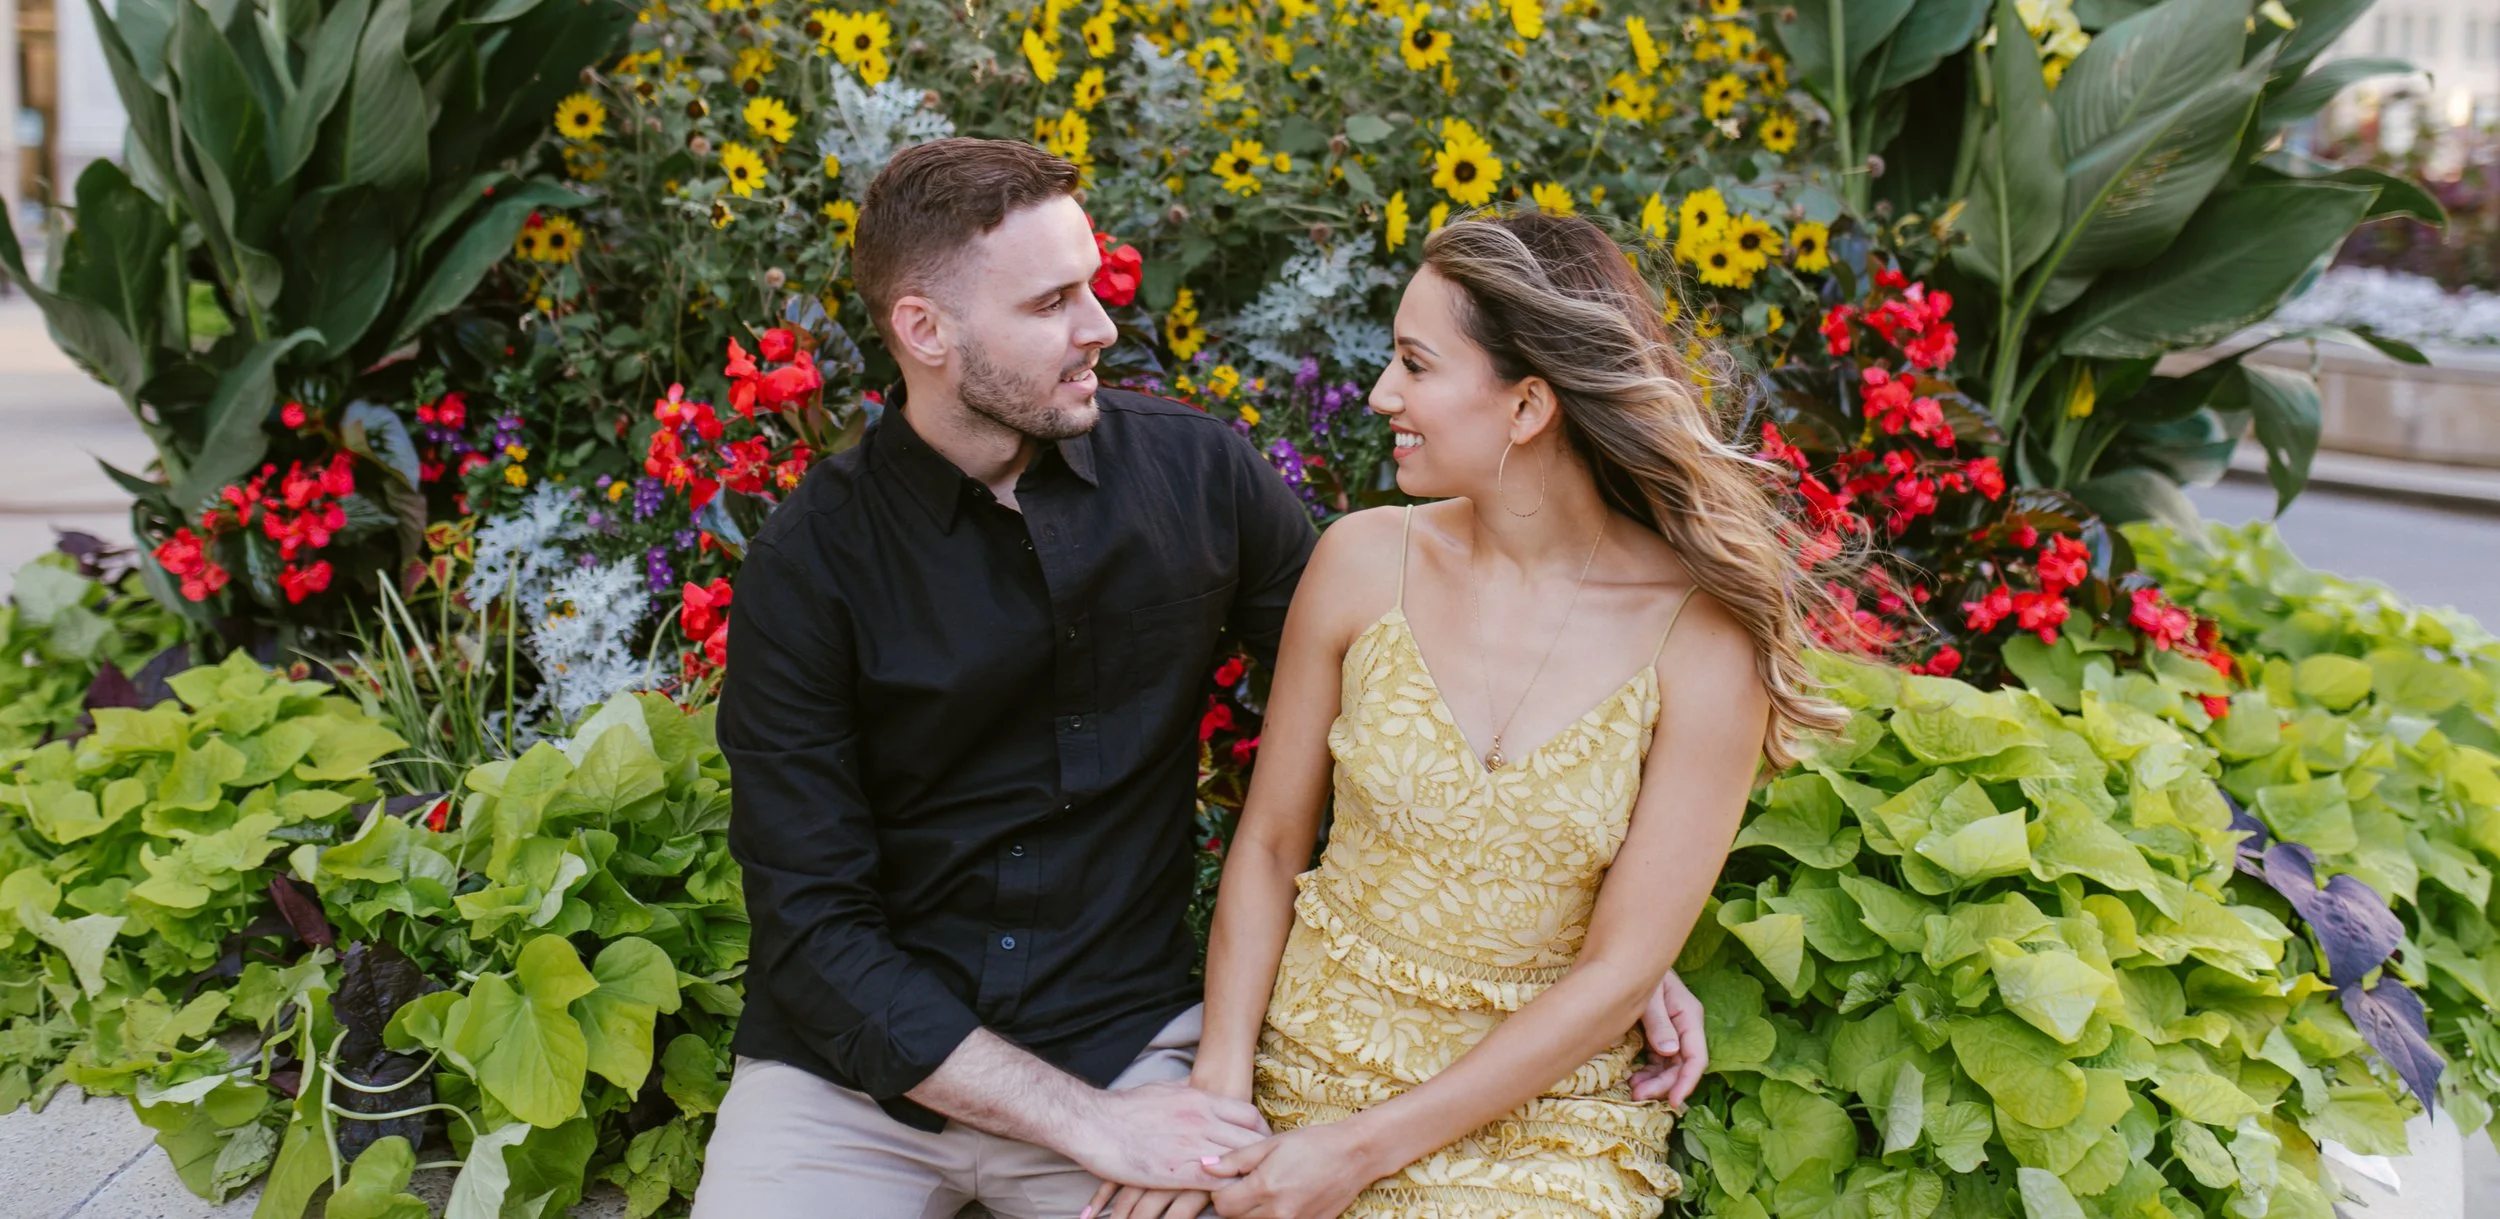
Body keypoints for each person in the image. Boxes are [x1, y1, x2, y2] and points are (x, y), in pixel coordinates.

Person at [692, 139, 1714, 1219]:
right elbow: (814, 938)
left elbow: (1402, 685)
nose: (1101, 326)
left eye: (1092, 284)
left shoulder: (1193, 476)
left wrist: (1593, 928)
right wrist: (1091, 1126)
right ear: (925, 330)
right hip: (854, 1089)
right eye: (1052, 302)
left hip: (1121, 1042)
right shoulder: (809, 566)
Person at [1095, 213, 1843, 1219]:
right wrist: (1219, 1099)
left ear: (1527, 402)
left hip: (1536, 1124)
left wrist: (1355, 1155)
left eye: (1415, 362)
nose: (1380, 395)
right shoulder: (1362, 560)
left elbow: (1621, 968)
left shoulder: (1702, 637)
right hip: (1306, 1071)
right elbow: (1270, 844)